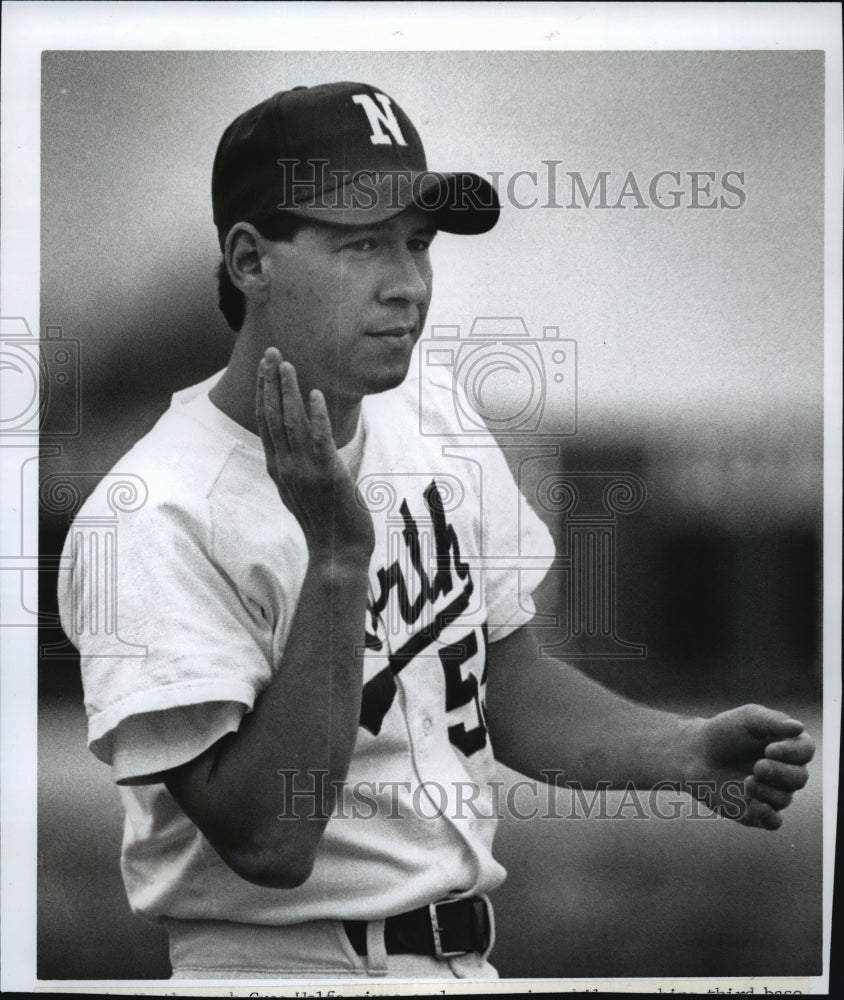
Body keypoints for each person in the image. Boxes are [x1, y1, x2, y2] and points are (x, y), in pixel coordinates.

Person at [58, 81, 815, 982]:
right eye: (361, 244)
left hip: (464, 961)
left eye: (417, 244)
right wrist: (337, 563)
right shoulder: (156, 509)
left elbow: (501, 675)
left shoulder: (437, 414)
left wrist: (680, 752)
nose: (407, 284)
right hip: (274, 968)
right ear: (251, 260)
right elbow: (269, 840)